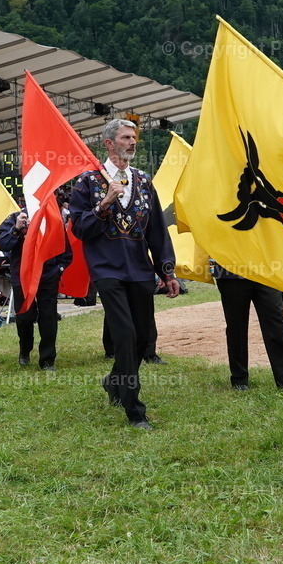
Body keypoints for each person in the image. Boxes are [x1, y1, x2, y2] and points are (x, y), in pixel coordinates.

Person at [70, 118, 180, 430]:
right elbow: (80, 229)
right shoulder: (88, 182)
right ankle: (135, 410)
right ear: (108, 143)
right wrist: (103, 204)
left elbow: (157, 231)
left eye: (133, 137)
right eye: (125, 137)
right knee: (125, 335)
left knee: (143, 337)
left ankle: (112, 381)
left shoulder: (144, 181)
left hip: (140, 270)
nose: (132, 142)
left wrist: (167, 271)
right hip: (107, 270)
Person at [212, 263, 283, 394]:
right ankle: (239, 379)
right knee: (236, 327)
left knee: (277, 324)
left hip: (266, 271)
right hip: (231, 271)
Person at [0, 204, 72, 371]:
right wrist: (16, 228)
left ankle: (47, 360)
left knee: (48, 318)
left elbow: (66, 252)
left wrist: (57, 270)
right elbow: (3, 244)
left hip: (47, 278)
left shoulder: (53, 220)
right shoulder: (15, 217)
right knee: (24, 317)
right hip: (23, 278)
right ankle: (25, 350)